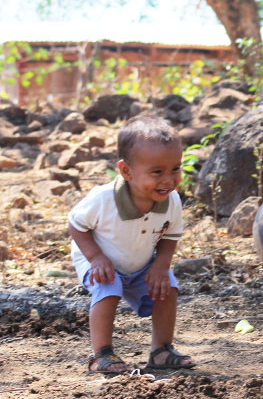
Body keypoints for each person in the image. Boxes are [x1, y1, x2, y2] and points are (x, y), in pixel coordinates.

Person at [68, 115, 194, 373]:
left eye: (175, 169)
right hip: (100, 257)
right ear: (126, 171)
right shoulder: (103, 199)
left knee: (168, 286)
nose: (169, 180)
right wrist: (95, 258)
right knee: (109, 286)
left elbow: (171, 235)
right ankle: (101, 355)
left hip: (141, 258)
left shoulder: (171, 201)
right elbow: (76, 224)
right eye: (157, 172)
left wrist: (161, 265)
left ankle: (161, 350)